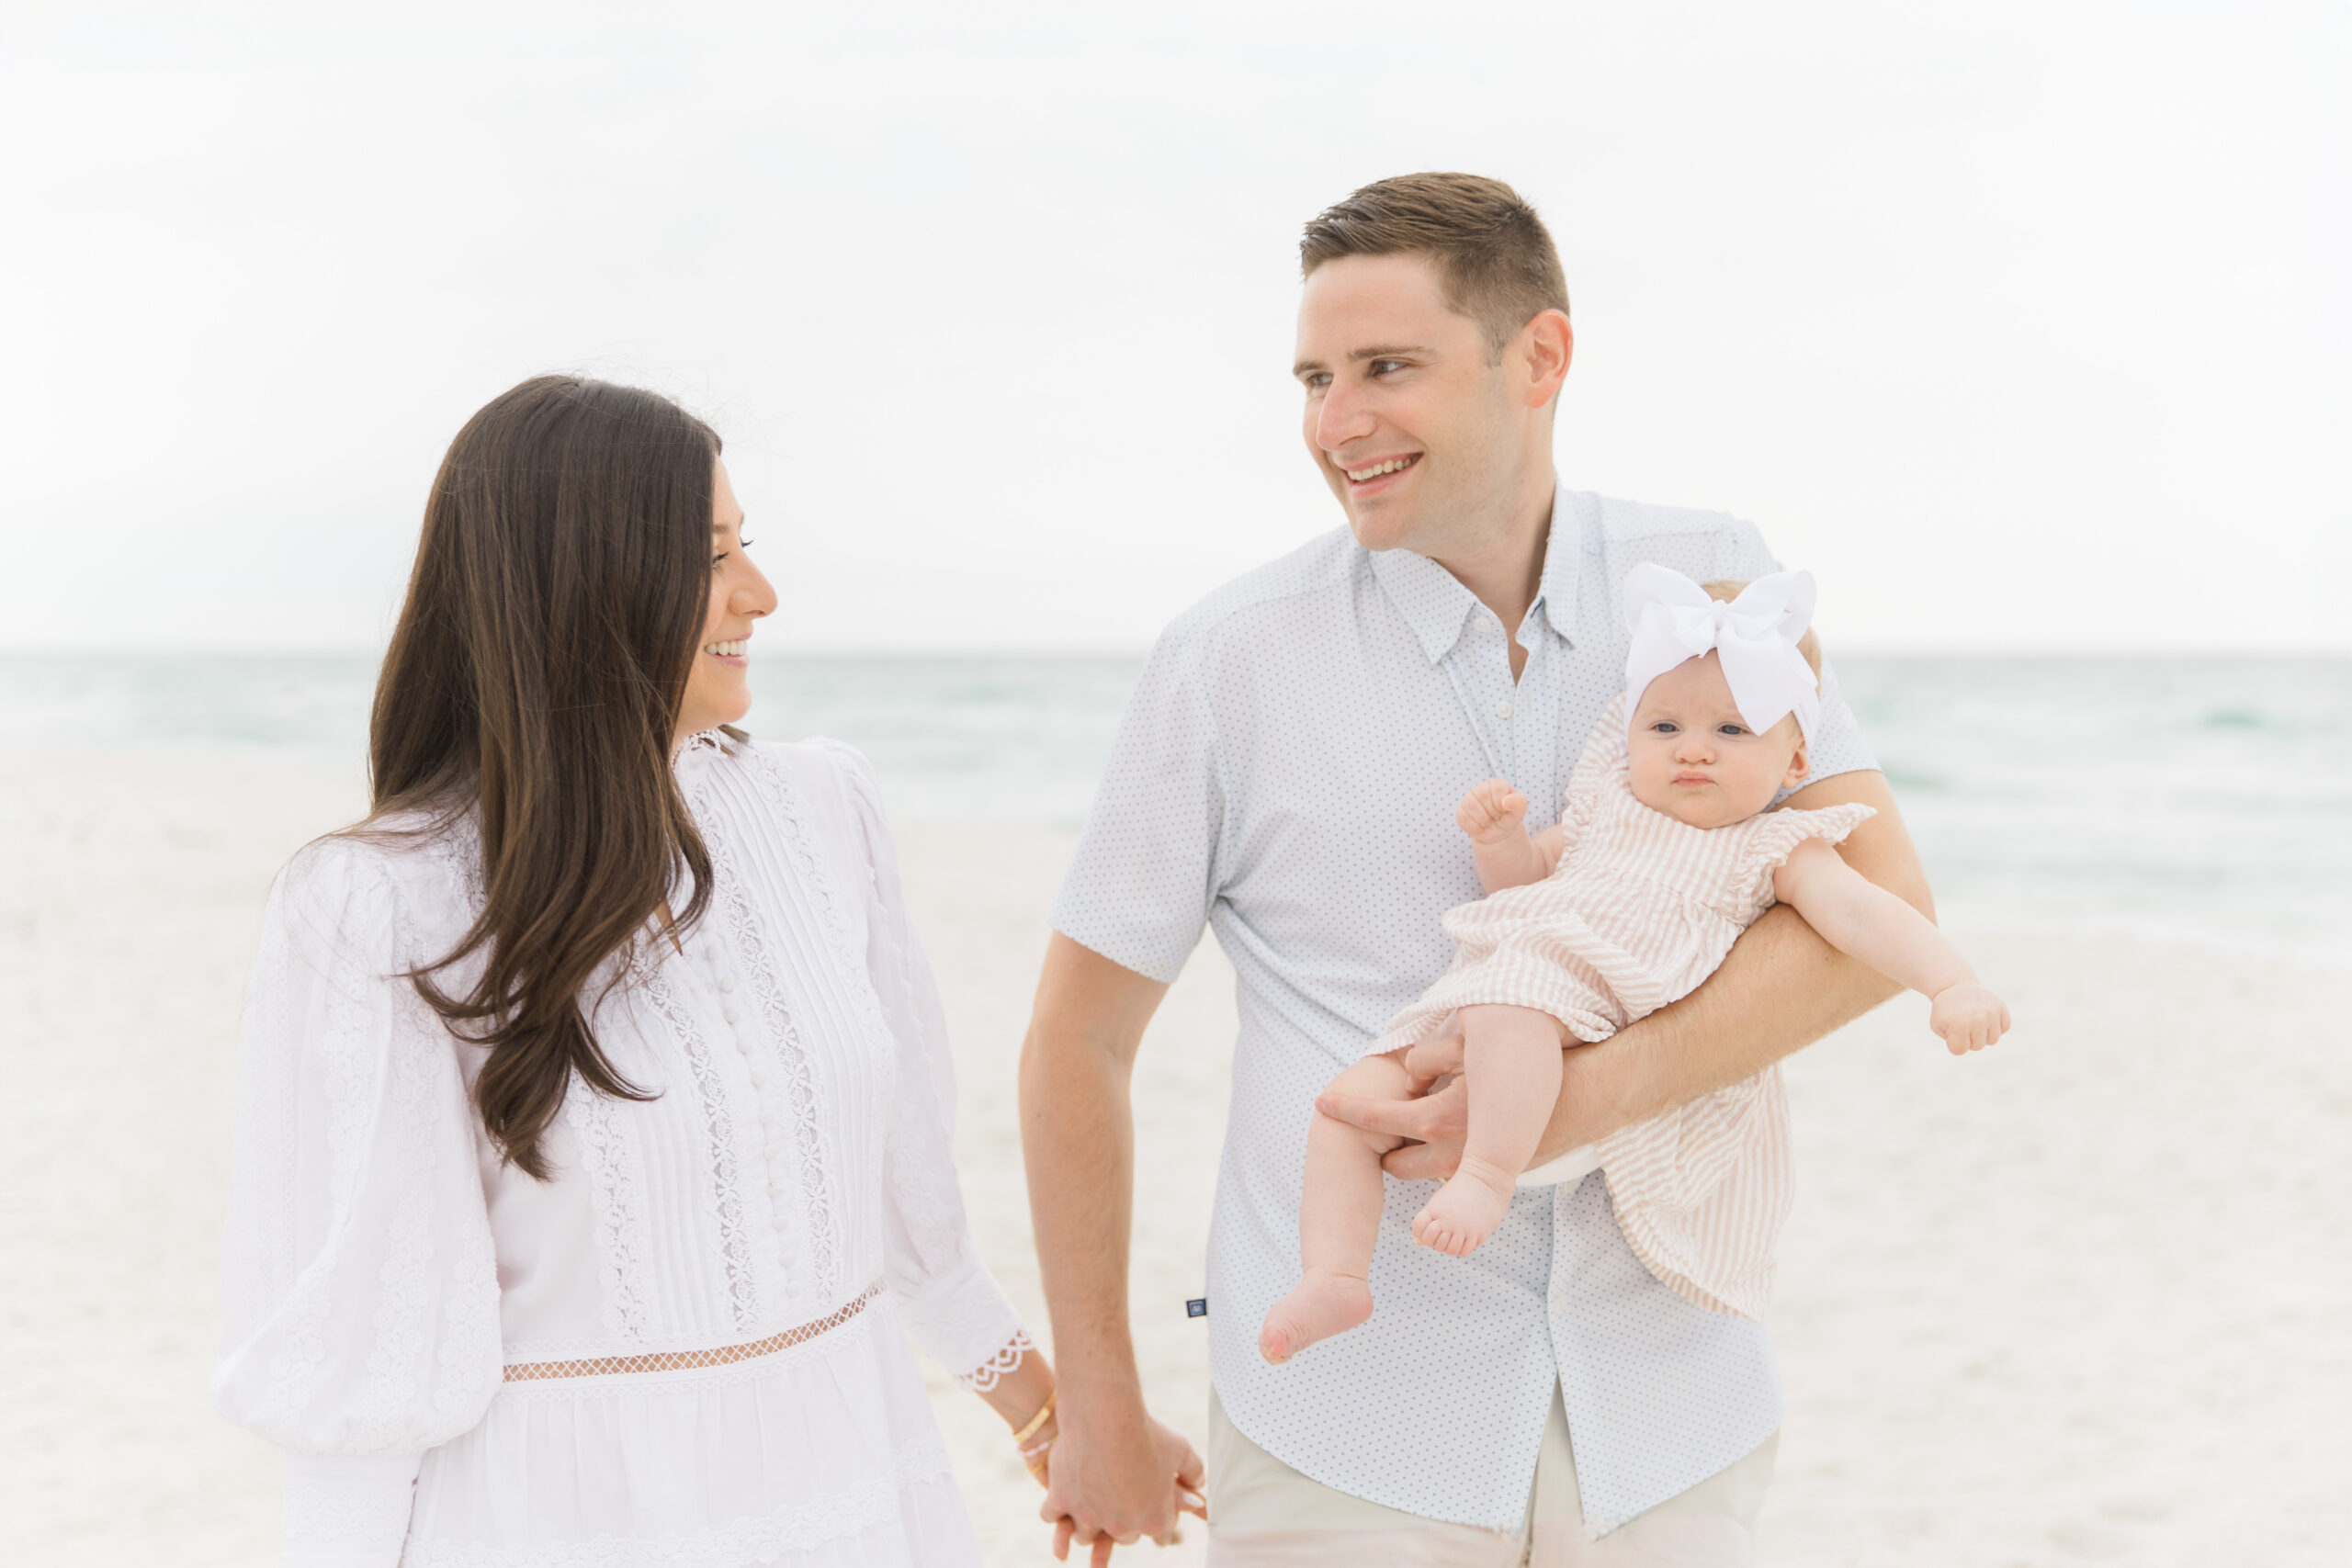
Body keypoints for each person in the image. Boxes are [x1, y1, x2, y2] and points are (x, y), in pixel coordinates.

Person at [1022, 172, 1935, 1565]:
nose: (1337, 422)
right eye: (1316, 377)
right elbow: (1077, 1041)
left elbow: (1880, 916)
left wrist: (1573, 1103)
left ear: (1541, 357)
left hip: (1671, 1401)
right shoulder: (1227, 659)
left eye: (1389, 366)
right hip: (1345, 1423)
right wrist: (1097, 1401)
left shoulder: (1718, 585)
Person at [212, 377, 1202, 1567]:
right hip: (566, 1518)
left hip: (854, 1478)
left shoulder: (823, 807)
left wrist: (1063, 1416)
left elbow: (908, 1214)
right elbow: (373, 1356)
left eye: (748, 546)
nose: (760, 594)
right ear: (585, 589)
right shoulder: (381, 899)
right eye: (709, 556)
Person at [1260, 567, 2009, 1363]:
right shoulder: (1607, 806)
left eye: (1731, 731)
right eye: (1664, 728)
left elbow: (1868, 912)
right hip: (1503, 990)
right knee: (1351, 1099)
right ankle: (1334, 1272)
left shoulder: (1775, 847)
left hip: (1589, 1018)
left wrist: (1951, 982)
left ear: (1795, 765)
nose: (1693, 749)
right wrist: (1500, 841)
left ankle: (1484, 1173)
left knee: (1509, 1007)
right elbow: (1523, 883)